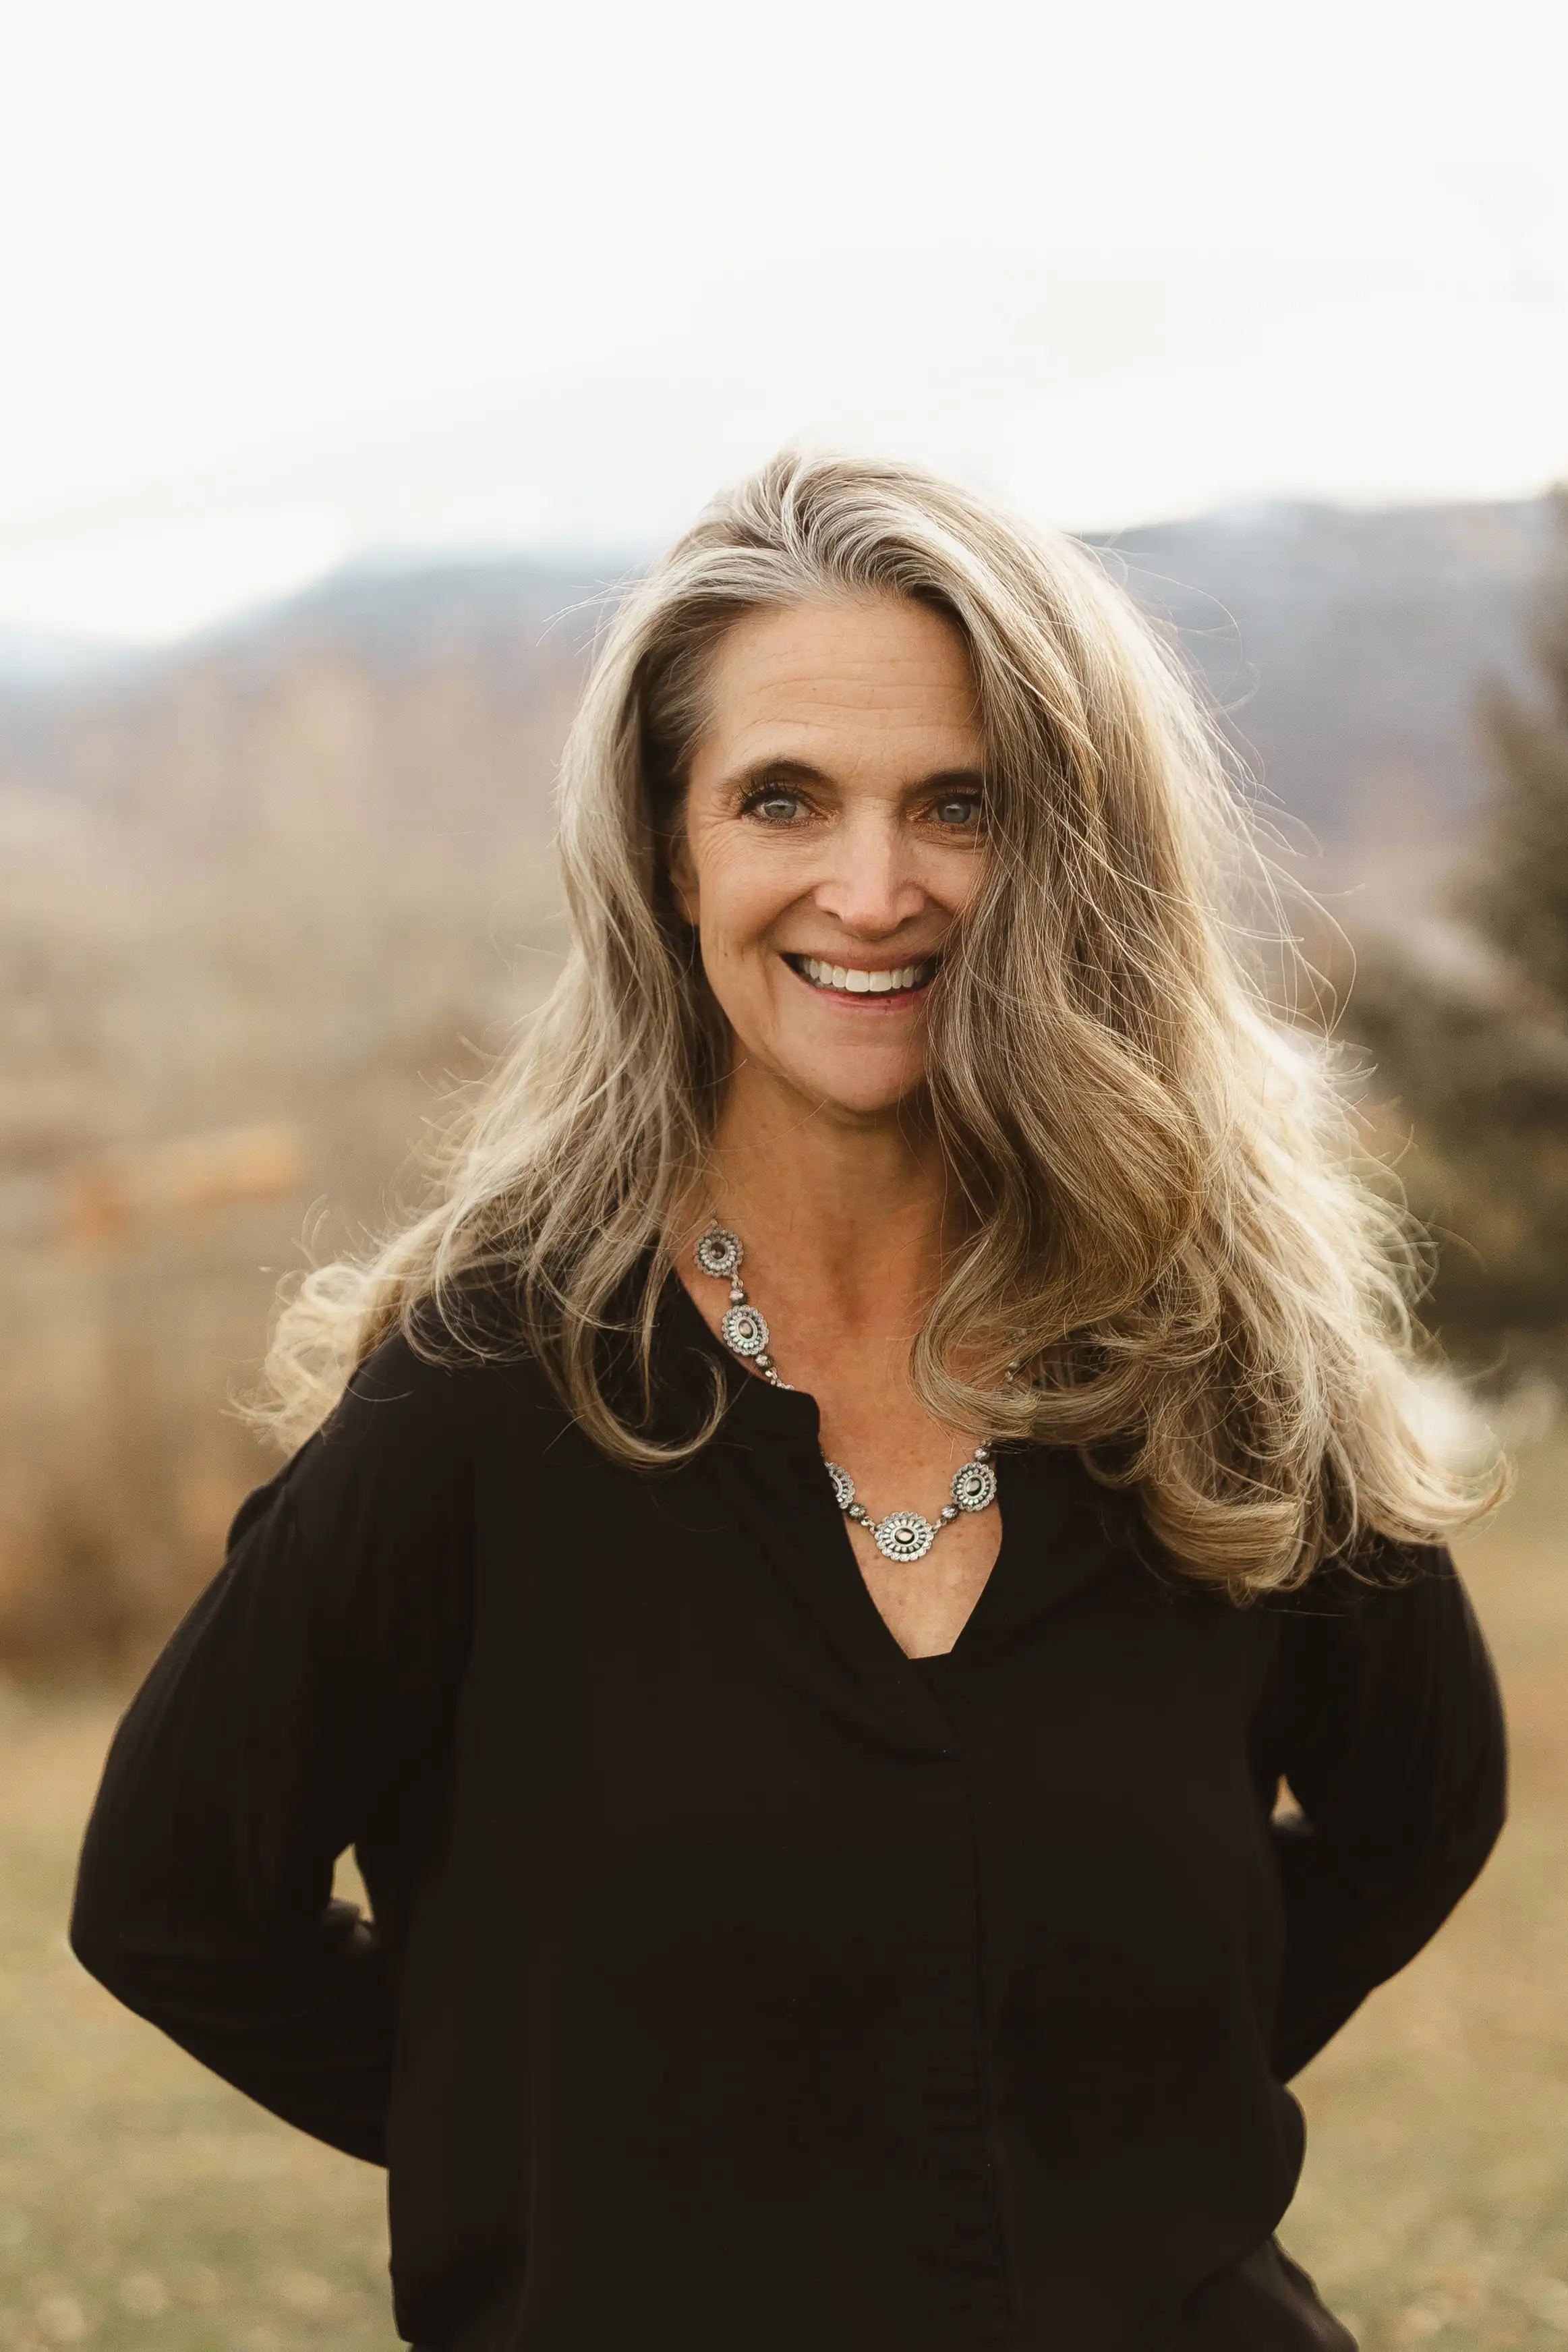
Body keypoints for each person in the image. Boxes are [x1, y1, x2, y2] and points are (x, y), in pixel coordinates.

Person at [70, 451, 1507, 2352]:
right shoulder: (485, 1402)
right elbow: (174, 1902)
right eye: (783, 799)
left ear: (1072, 852)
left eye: (958, 804)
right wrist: (573, 2161)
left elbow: (1423, 1808)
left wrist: (1088, 2115)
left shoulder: (1214, 1364)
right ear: (672, 857)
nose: (874, 888)